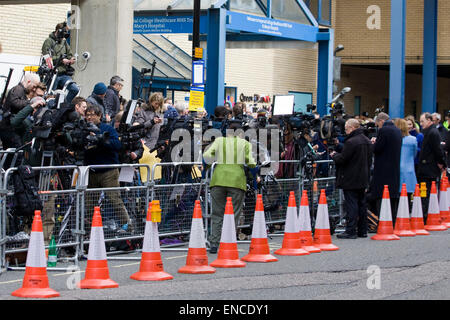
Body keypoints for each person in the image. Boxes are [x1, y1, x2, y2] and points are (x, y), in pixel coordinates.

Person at [203, 113, 257, 253]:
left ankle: (214, 243)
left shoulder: (220, 141)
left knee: (217, 214)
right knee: (234, 214)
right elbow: (250, 162)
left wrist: (208, 166)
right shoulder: (244, 143)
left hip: (218, 180)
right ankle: (229, 242)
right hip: (237, 181)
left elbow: (207, 156)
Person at [84, 104, 133, 232]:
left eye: (92, 115)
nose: (89, 117)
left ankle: (128, 227)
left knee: (114, 199)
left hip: (108, 170)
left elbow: (117, 145)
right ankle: (90, 230)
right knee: (89, 204)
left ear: (99, 115)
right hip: (91, 171)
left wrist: (101, 140)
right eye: (87, 115)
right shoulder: (83, 129)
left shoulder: (107, 129)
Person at [330, 119, 372, 239]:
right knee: (361, 204)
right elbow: (369, 161)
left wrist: (335, 155)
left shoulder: (352, 142)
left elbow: (343, 159)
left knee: (351, 204)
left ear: (352, 128)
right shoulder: (367, 141)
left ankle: (351, 230)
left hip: (350, 177)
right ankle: (362, 230)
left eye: (347, 129)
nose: (345, 131)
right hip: (363, 177)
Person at [367, 112, 402, 224]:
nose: (378, 127)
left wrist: (373, 144)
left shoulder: (384, 130)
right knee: (392, 199)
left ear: (381, 121)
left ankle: (382, 222)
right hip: (394, 169)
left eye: (378, 124)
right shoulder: (397, 130)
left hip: (383, 170)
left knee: (381, 197)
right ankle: (392, 221)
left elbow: (378, 148)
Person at [417, 112, 446, 222]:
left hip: (428, 169)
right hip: (427, 168)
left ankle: (425, 215)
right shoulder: (429, 132)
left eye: (422, 121)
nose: (421, 124)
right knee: (424, 192)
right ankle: (425, 214)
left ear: (429, 120)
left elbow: (438, 150)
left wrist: (441, 163)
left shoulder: (433, 133)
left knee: (426, 192)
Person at [10, 83, 47, 166]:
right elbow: (14, 122)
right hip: (28, 162)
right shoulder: (26, 119)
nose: (40, 99)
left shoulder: (45, 121)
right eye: (38, 95)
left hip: (41, 162)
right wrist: (32, 106)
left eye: (42, 96)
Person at [41, 22, 79, 103]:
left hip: (64, 74)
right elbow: (46, 59)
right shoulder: (49, 41)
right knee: (50, 95)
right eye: (64, 32)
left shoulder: (64, 42)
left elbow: (69, 54)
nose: (64, 35)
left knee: (74, 89)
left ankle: (64, 106)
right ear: (58, 31)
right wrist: (61, 60)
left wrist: (71, 60)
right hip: (53, 74)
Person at [394, 118, 418, 199]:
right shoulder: (413, 139)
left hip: (396, 170)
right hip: (409, 170)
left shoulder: (395, 139)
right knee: (407, 196)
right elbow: (414, 154)